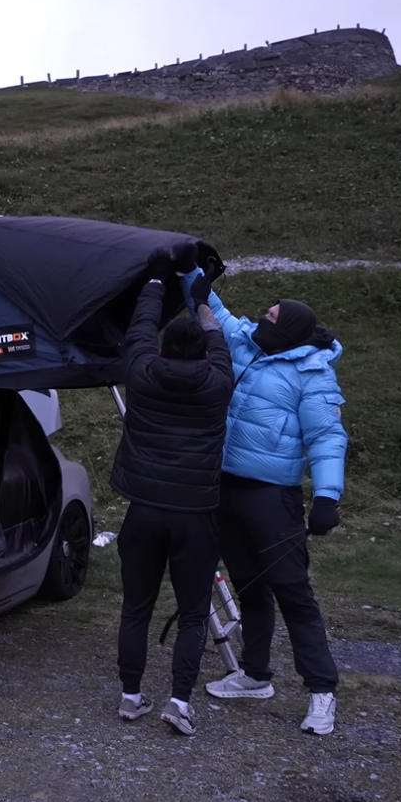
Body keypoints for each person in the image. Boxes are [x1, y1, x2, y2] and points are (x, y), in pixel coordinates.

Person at [187, 269, 348, 736]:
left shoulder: (312, 373)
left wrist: (327, 496)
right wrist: (192, 267)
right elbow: (214, 311)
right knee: (249, 586)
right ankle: (255, 676)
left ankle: (322, 693)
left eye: (271, 315)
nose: (262, 317)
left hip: (272, 497)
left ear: (288, 329)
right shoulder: (246, 343)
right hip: (225, 489)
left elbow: (326, 437)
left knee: (292, 592)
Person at [110, 255, 234, 736]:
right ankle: (179, 702)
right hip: (196, 517)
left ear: (161, 350)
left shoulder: (142, 373)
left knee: (135, 607)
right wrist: (199, 299)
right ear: (204, 354)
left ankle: (130, 697)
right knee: (191, 613)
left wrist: (156, 282)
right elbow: (219, 337)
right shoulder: (218, 382)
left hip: (144, 513)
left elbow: (140, 328)